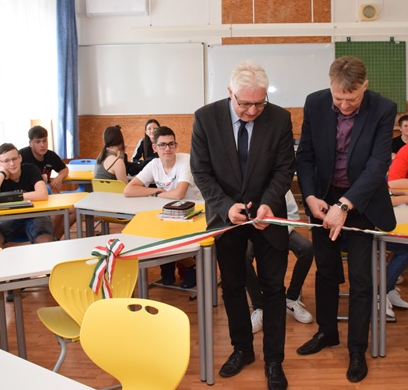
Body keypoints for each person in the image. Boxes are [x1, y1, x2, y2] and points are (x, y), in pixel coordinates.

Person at [190, 60, 295, 390]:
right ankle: (242, 350)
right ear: (230, 93)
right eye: (245, 103)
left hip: (268, 216)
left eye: (259, 103)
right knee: (233, 287)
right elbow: (201, 171)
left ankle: (274, 360)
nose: (252, 111)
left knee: (274, 289)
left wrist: (268, 203)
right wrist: (225, 206)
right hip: (227, 217)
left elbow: (284, 169)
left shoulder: (279, 118)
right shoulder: (205, 118)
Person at [295, 56, 397, 384]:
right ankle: (327, 332)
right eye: (338, 98)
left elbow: (377, 165)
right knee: (325, 272)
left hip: (361, 203)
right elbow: (305, 156)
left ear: (365, 86)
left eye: (351, 99)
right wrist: (310, 197)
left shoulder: (383, 109)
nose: (344, 105)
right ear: (330, 86)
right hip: (323, 201)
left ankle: (357, 349)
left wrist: (345, 204)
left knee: (361, 280)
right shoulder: (315, 103)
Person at [124, 126, 203, 288]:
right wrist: (157, 191)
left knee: (167, 235)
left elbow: (179, 194)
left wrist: (157, 194)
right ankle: (168, 268)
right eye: (162, 145)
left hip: (193, 212)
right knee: (151, 230)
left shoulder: (185, 161)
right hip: (169, 212)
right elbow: (129, 190)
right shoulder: (154, 164)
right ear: (155, 147)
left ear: (176, 145)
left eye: (171, 144)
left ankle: (192, 267)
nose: (167, 149)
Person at [247, 191, 314, 333]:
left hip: (280, 230)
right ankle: (259, 305)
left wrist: (277, 234)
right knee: (244, 256)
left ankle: (291, 298)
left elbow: (292, 215)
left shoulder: (279, 185)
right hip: (251, 232)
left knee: (307, 249)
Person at [0, 143, 54, 247]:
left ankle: (16, 246)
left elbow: (43, 194)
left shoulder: (31, 169)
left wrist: (11, 198)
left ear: (20, 158)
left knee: (45, 240)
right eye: (6, 161)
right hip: (8, 218)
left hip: (36, 215)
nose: (12, 163)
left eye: (14, 159)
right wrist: (1, 174)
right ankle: (24, 247)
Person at [19, 126, 76, 239]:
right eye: (38, 142)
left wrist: (59, 177)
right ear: (30, 143)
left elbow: (64, 169)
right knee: (61, 209)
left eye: (44, 141)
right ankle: (46, 238)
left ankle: (53, 239)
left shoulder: (50, 155)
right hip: (30, 197)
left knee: (74, 211)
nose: (42, 145)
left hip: (46, 195)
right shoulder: (22, 156)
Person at [384, 189, 408, 319]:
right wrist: (405, 198)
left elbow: (384, 190)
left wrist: (403, 193)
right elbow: (379, 200)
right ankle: (380, 294)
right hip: (357, 231)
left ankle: (388, 289)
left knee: (407, 248)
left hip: (369, 222)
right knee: (406, 250)